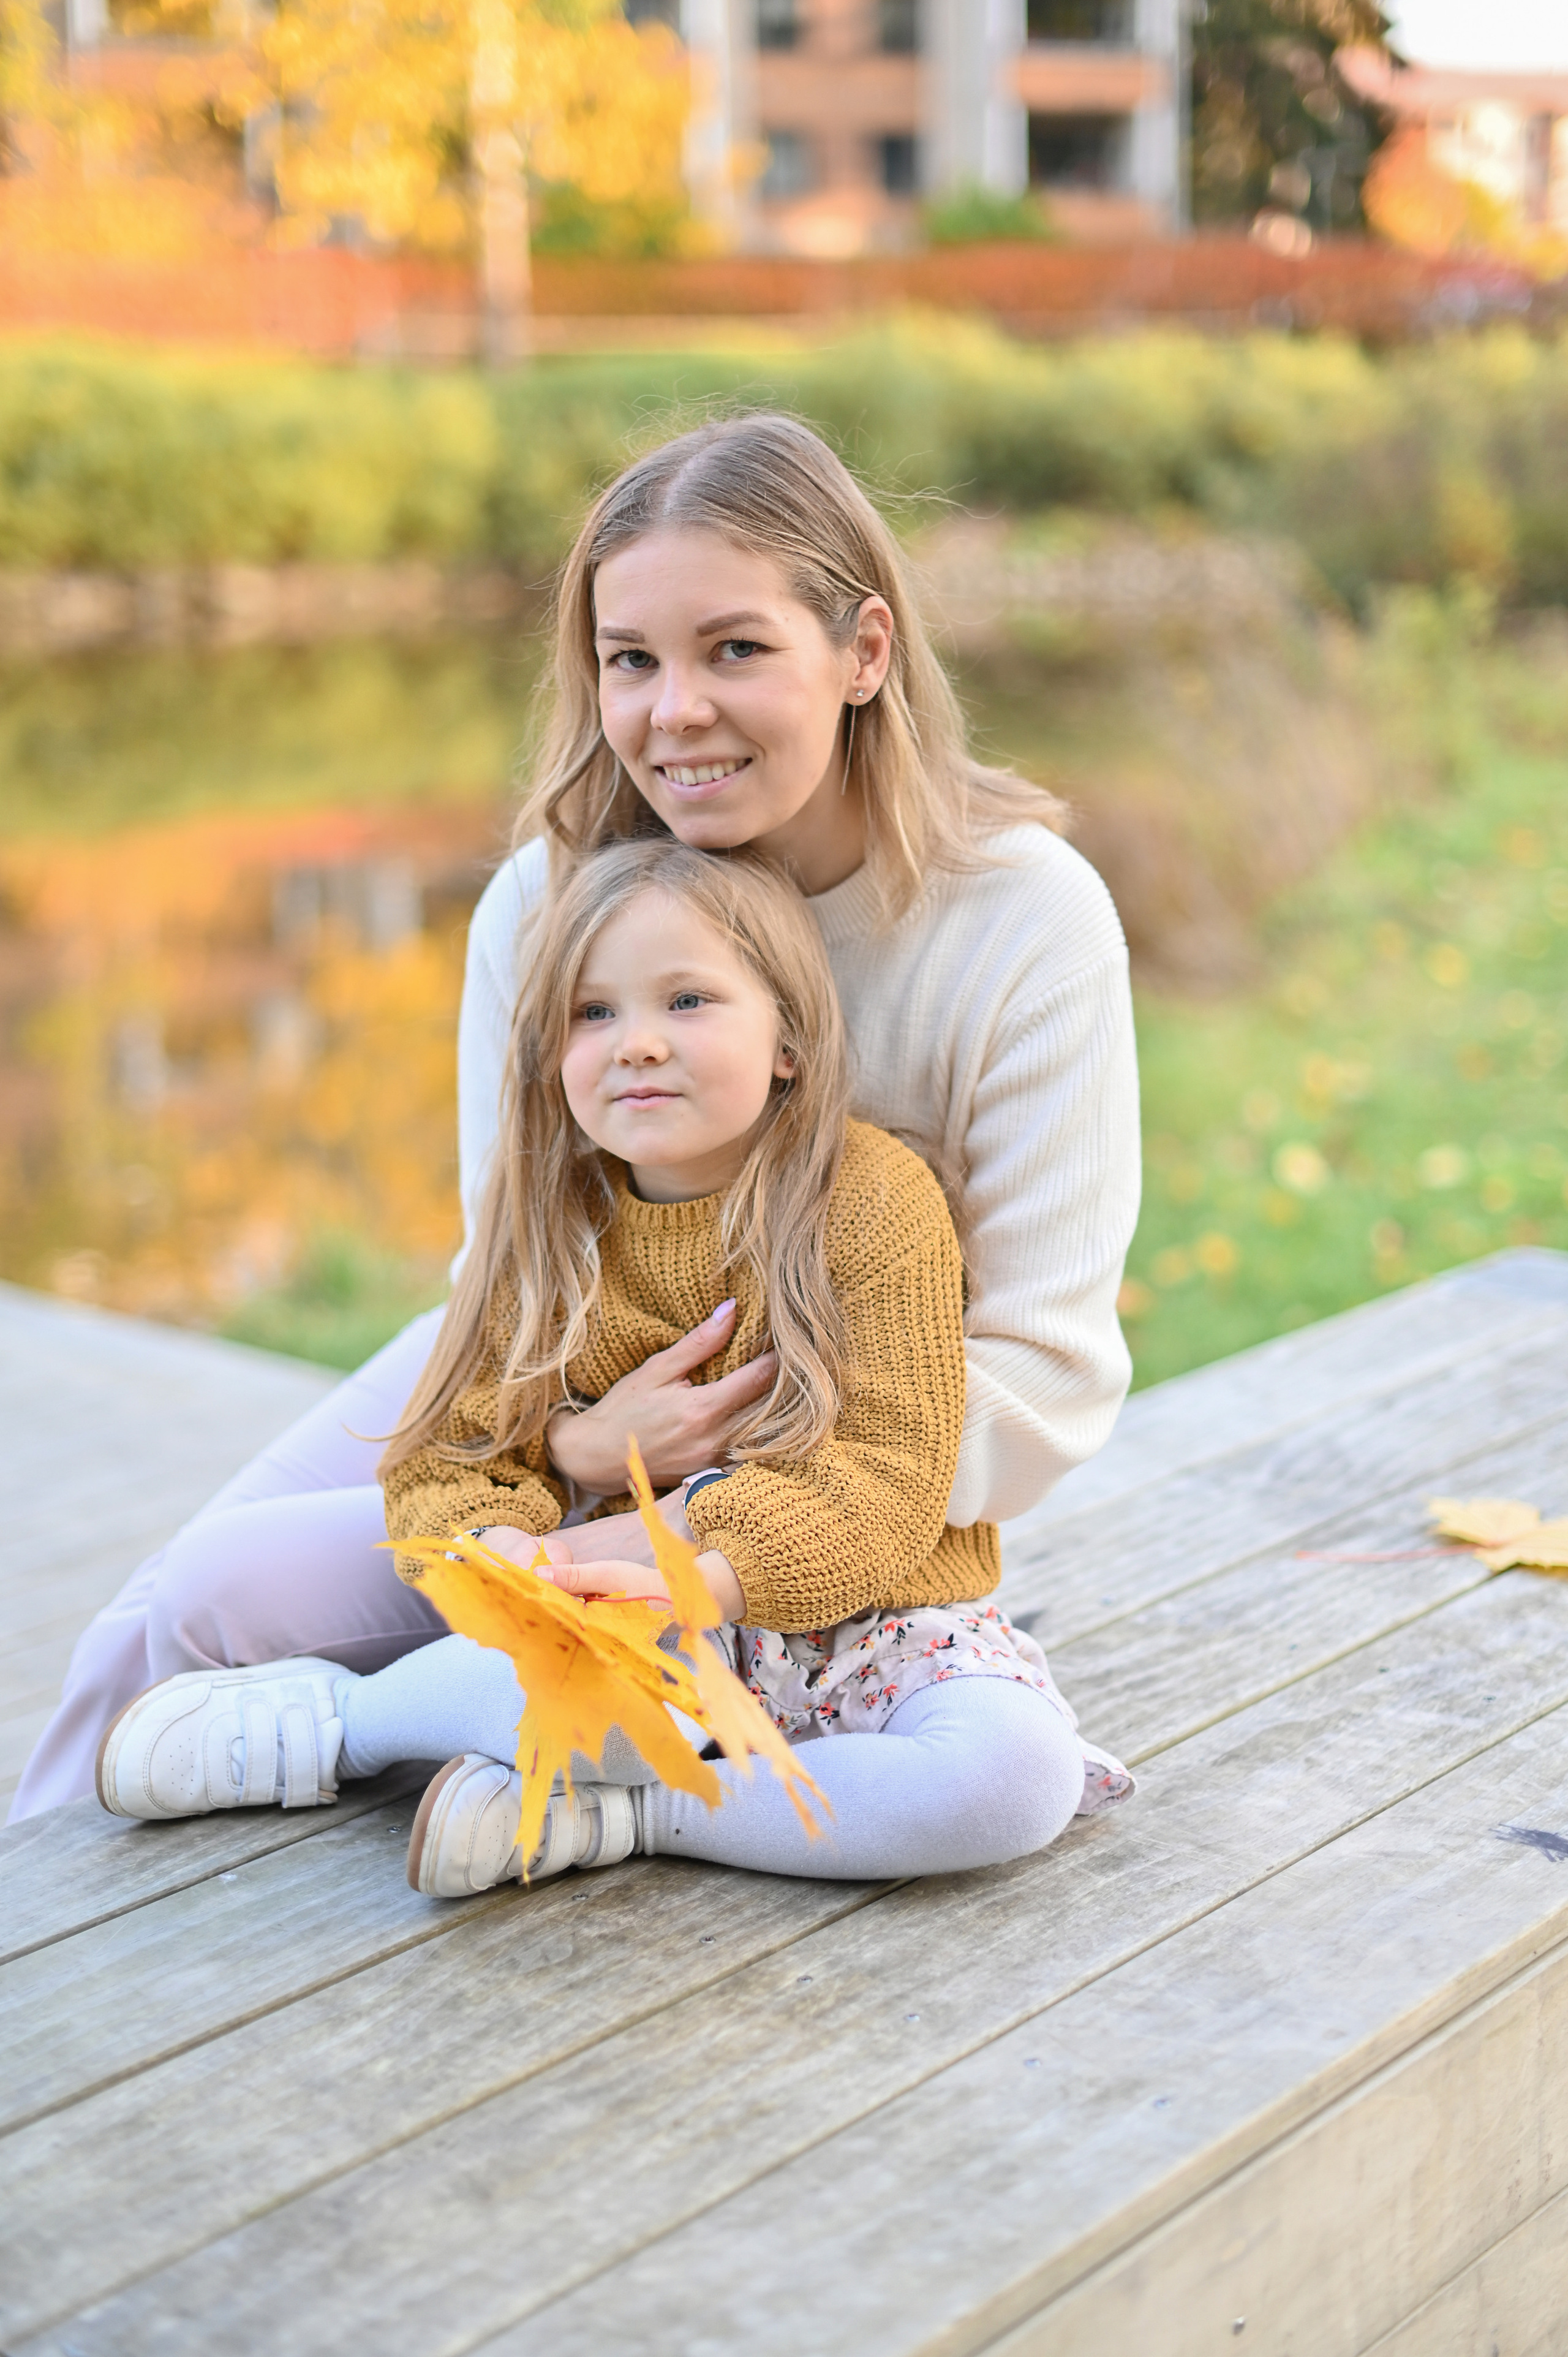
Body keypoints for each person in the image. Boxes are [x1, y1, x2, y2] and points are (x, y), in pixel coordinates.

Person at [12, 410, 1140, 1825]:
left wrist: (706, 1508)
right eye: (631, 660)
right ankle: (43, 1907)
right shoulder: (546, 905)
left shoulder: (1022, 921)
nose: (675, 711)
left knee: (944, 1760)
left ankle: (518, 1752)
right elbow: (513, 1269)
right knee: (181, 1605)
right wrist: (575, 1449)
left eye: (734, 649)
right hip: (568, 1390)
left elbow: (1041, 1381)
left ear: (863, 650)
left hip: (852, 1465)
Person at [96, 843, 1131, 1886]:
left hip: (878, 1626)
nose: (637, 1043)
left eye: (687, 1001)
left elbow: (886, 1474)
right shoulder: (549, 1221)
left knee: (1013, 1780)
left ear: (788, 1039)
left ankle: (631, 1812)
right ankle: (339, 1725)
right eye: (593, 1013)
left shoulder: (869, 1199)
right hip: (631, 1637)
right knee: (555, 1674)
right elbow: (448, 1454)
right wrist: (502, 1555)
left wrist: (696, 1582)